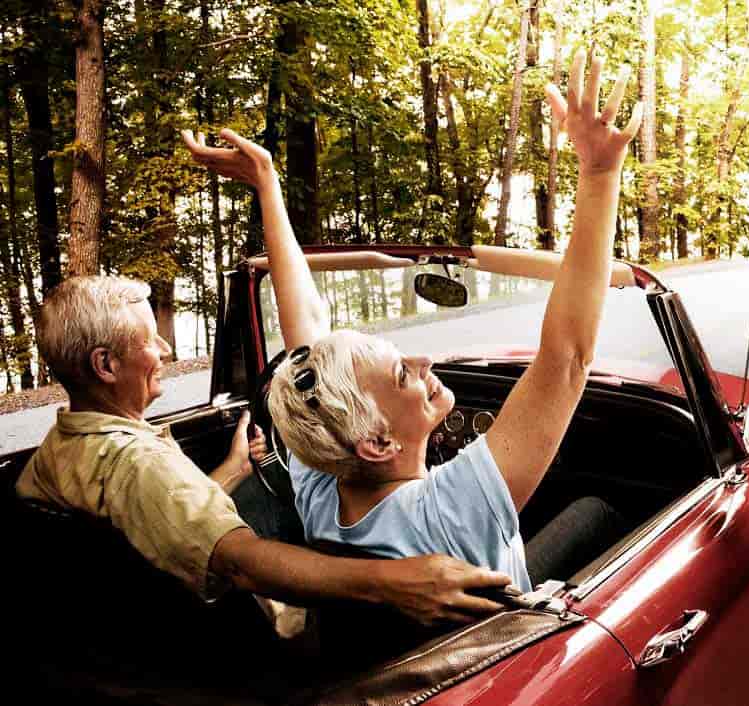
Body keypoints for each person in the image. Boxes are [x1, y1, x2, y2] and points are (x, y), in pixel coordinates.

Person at [181, 49, 638, 592]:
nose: (423, 362)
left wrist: (268, 187)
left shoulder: (325, 479)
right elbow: (566, 357)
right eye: (402, 374)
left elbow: (306, 326)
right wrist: (601, 172)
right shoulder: (454, 508)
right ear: (377, 443)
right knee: (598, 511)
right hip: (518, 635)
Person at [14, 276, 512, 626]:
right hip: (254, 646)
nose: (166, 350)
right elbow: (241, 564)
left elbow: (153, 514)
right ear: (105, 365)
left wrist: (231, 471)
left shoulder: (63, 447)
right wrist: (398, 580)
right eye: (150, 340)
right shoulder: (140, 464)